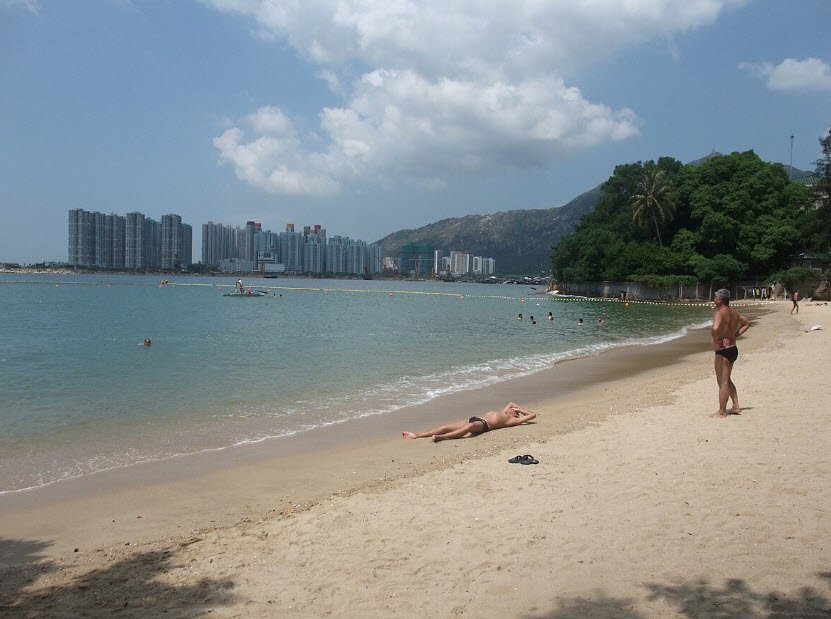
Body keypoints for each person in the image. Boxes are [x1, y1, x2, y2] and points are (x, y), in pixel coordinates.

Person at [402, 402, 537, 442]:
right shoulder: (504, 412)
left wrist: (520, 410)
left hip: (484, 425)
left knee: (469, 427)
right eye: (511, 409)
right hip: (475, 418)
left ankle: (441, 438)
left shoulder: (513, 420)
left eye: (513, 410)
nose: (511, 409)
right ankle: (417, 435)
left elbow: (533, 415)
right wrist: (513, 407)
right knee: (445, 426)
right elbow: (510, 403)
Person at [711, 289, 751, 418]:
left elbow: (715, 328)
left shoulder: (720, 313)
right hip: (733, 348)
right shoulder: (734, 312)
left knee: (722, 382)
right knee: (726, 380)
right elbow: (747, 323)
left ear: (720, 299)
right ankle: (736, 406)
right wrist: (734, 335)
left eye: (715, 297)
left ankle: (722, 411)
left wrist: (716, 340)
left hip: (723, 351)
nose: (714, 300)